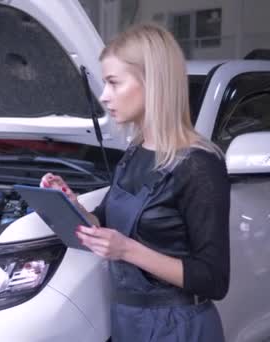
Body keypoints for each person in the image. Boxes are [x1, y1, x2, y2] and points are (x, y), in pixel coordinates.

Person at [41, 24, 230, 341]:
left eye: (114, 83)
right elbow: (104, 224)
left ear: (151, 83)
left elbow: (213, 279)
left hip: (179, 327)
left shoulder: (199, 165)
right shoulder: (134, 153)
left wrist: (127, 250)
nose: (104, 96)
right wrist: (71, 207)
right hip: (129, 321)